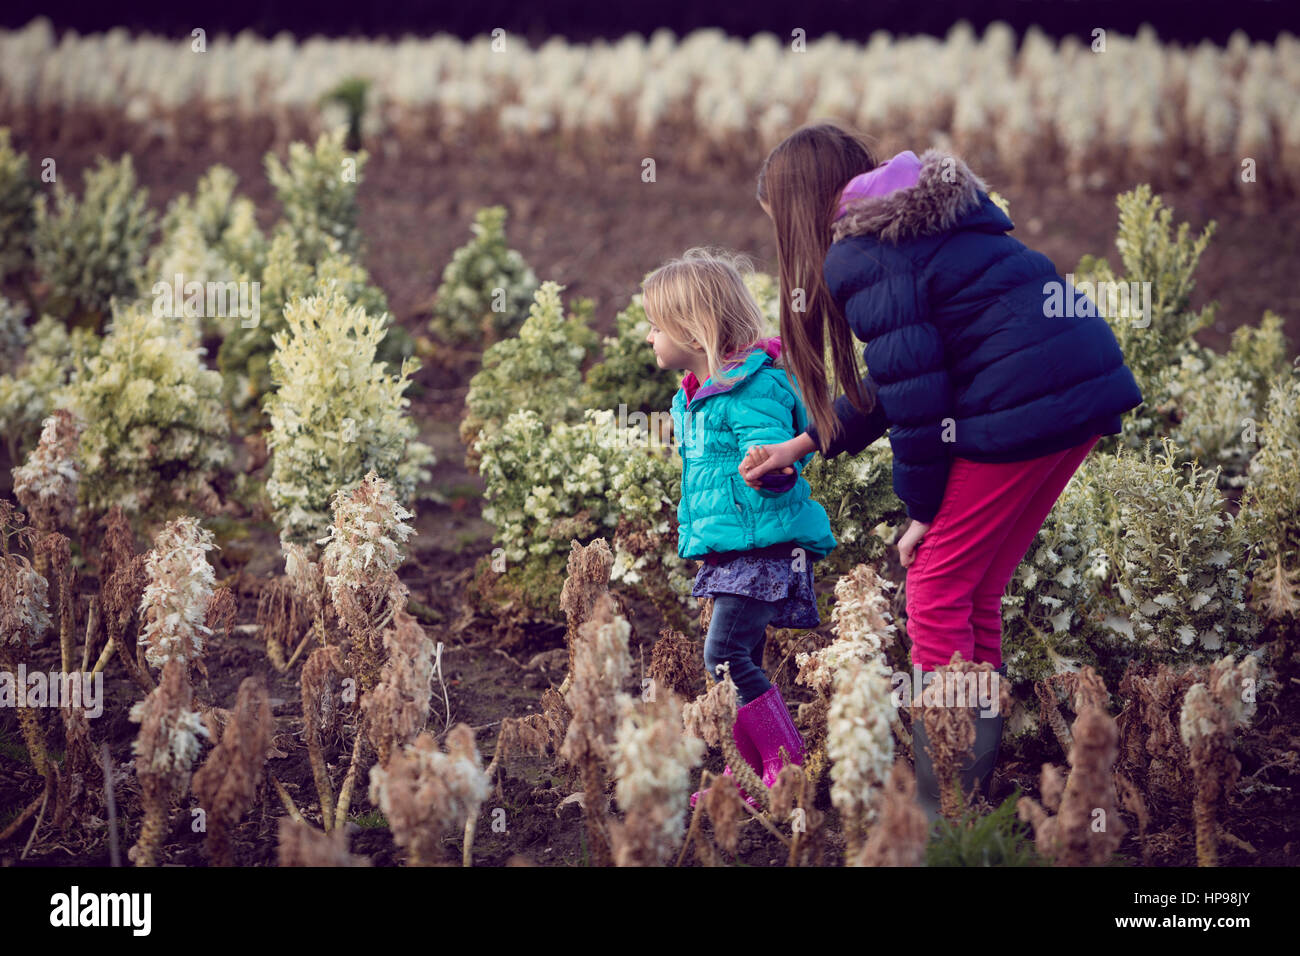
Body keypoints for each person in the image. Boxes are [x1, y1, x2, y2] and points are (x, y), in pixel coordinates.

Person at [739, 124, 1143, 822]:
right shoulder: (917, 226)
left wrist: (922, 509)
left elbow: (922, 405)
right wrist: (804, 441)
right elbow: (907, 378)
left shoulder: (861, 254)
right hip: (1075, 392)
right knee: (974, 586)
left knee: (933, 584)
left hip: (1019, 406)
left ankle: (942, 793)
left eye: (778, 217)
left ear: (804, 204)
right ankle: (971, 783)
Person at [642, 247, 838, 808]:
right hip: (733, 549)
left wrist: (771, 473)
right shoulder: (695, 397)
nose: (649, 336)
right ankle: (755, 777)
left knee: (724, 656)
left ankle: (785, 769)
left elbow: (780, 457)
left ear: (693, 328)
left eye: (657, 326)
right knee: (731, 660)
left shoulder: (753, 389)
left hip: (765, 546)